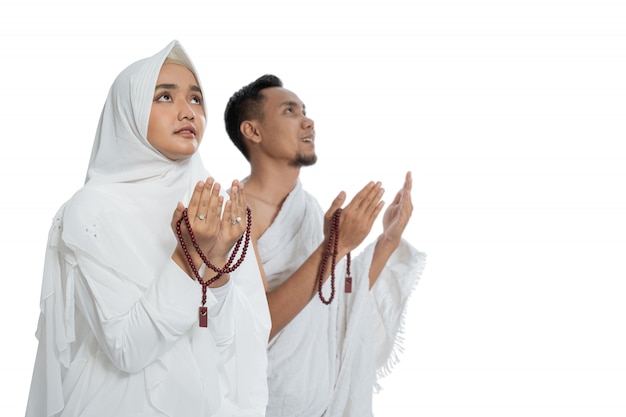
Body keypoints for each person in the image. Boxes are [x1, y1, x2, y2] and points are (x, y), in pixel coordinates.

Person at [25, 41, 270, 417]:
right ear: (130, 110)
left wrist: (217, 261)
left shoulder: (212, 203)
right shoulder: (89, 211)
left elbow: (235, 344)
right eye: (164, 97)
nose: (188, 111)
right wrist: (187, 257)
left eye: (196, 98)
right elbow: (126, 348)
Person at [224, 74, 426, 416]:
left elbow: (336, 301)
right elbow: (258, 324)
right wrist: (334, 247)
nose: (308, 120)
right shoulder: (236, 212)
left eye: (305, 110)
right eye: (290, 111)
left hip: (321, 405)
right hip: (263, 405)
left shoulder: (309, 208)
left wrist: (387, 240)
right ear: (253, 131)